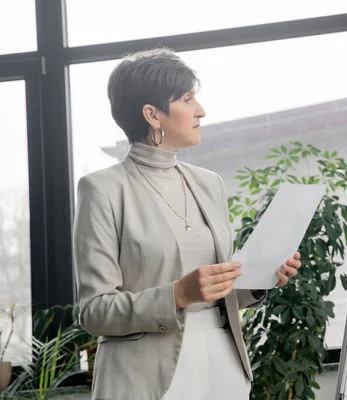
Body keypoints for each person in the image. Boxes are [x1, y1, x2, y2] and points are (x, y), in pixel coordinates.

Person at [73, 47, 303, 400]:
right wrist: (177, 294)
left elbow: (215, 295)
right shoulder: (102, 189)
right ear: (153, 114)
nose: (201, 111)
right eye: (187, 99)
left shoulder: (209, 183)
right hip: (145, 376)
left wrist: (262, 279)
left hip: (221, 364)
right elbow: (94, 311)